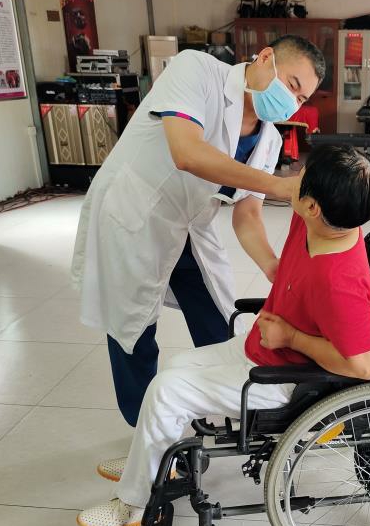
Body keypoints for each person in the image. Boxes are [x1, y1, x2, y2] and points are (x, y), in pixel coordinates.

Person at [76, 144, 370, 526]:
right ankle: (154, 463)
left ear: (311, 206)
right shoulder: (323, 222)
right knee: (173, 370)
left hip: (286, 379)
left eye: (301, 177)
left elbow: (365, 366)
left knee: (168, 391)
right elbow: (249, 214)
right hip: (262, 348)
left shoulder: (339, 281)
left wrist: (292, 337)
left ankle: (134, 504)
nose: (293, 178)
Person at [71, 35, 326, 431]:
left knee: (222, 323)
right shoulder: (197, 70)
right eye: (291, 85)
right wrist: (279, 185)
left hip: (190, 226)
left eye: (301, 98)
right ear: (266, 58)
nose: (291, 102)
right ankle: (148, 437)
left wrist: (273, 267)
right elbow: (187, 153)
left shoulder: (269, 139)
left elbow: (247, 215)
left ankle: (222, 410)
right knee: (133, 331)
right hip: (136, 216)